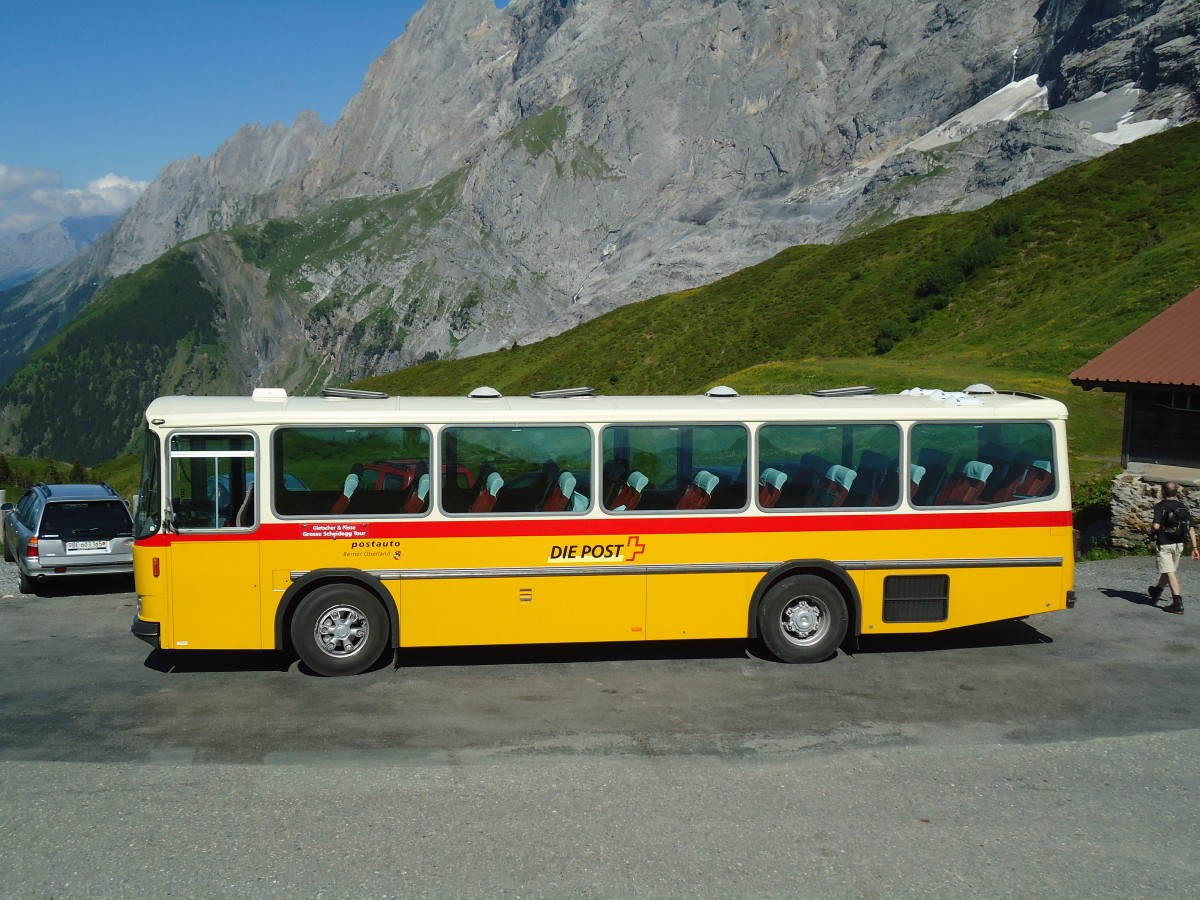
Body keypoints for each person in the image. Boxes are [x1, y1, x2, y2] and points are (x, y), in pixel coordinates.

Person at [1149, 482, 1199, 614]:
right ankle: (1157, 592)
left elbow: (1156, 526)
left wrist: (1151, 531)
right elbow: (1190, 527)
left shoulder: (1160, 506)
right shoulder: (1183, 507)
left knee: (1170, 572)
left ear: (1163, 492)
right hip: (1179, 545)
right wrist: (1195, 548)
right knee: (1168, 570)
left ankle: (1178, 603)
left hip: (1165, 544)